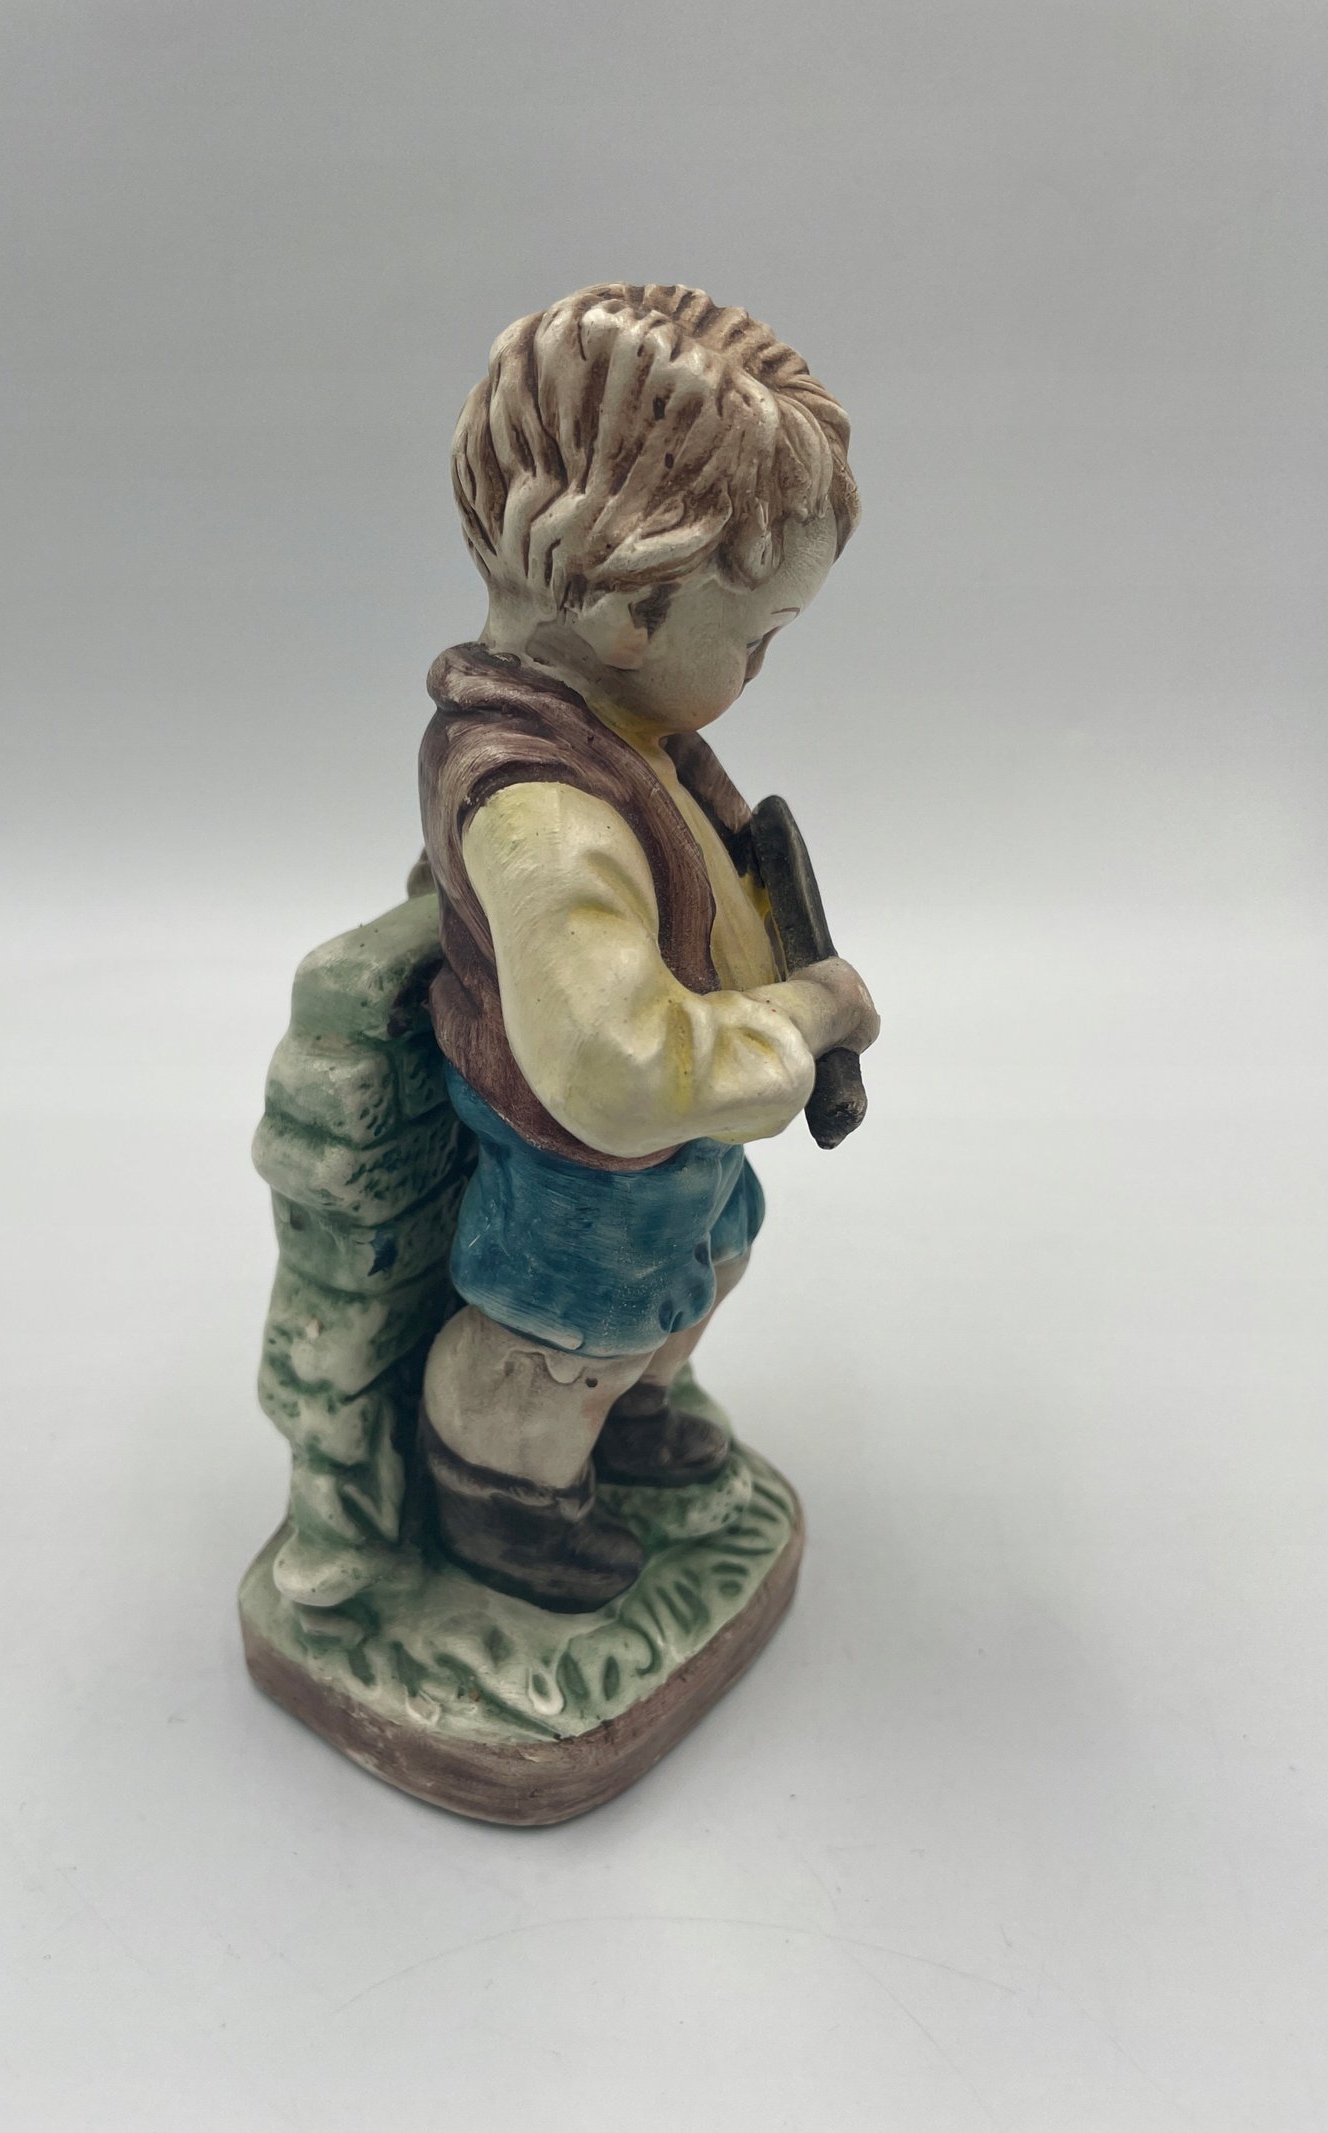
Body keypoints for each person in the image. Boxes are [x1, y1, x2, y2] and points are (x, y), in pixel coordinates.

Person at [417, 283, 879, 1612]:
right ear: (632, 609)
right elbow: (613, 1062)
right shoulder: (547, 815)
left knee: (708, 1261)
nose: (759, 670)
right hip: (592, 1166)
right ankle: (504, 1489)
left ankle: (629, 1414)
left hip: (685, 1142)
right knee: (560, 1341)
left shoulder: (630, 731)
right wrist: (800, 1021)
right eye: (757, 637)